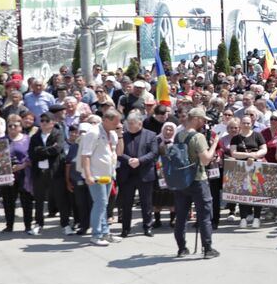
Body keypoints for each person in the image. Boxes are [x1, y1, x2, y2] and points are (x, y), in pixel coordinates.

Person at [163, 106, 218, 259]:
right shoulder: (198, 137)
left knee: (181, 215)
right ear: (196, 119)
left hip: (181, 180)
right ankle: (207, 249)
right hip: (198, 180)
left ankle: (182, 248)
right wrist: (214, 144)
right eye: (202, 120)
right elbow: (206, 160)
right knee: (204, 215)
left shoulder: (178, 135)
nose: (203, 123)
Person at [79, 107, 121, 247]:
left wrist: (120, 135)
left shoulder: (113, 134)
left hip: (108, 174)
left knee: (104, 204)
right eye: (115, 123)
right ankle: (96, 235)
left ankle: (105, 232)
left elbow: (117, 152)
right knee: (100, 203)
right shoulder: (93, 132)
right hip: (95, 175)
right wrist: (88, 175)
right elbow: (86, 155)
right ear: (106, 120)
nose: (118, 125)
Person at [115, 110, 159, 238]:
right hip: (127, 174)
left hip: (144, 173)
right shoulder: (123, 135)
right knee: (126, 203)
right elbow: (119, 152)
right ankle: (125, 229)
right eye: (128, 123)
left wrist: (139, 161)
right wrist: (128, 160)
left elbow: (153, 153)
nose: (129, 125)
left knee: (146, 203)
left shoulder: (151, 135)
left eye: (131, 123)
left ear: (139, 123)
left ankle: (147, 227)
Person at [27, 112, 64, 234]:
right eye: (41, 120)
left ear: (52, 123)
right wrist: (46, 150)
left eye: (46, 121)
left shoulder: (58, 134)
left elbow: (57, 149)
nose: (43, 123)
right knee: (39, 200)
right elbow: (32, 153)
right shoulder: (35, 137)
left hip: (55, 171)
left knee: (60, 198)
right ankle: (38, 223)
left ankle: (65, 224)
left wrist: (40, 151)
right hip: (39, 172)